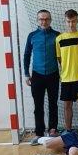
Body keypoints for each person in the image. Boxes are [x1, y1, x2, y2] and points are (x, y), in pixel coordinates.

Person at [23, 9, 60, 141]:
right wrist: (26, 74)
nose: (44, 21)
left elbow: (63, 57)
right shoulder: (32, 36)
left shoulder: (57, 36)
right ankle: (39, 133)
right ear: (37, 20)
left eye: (46, 19)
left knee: (53, 104)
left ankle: (53, 129)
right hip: (37, 75)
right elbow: (26, 55)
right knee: (38, 105)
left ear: (50, 20)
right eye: (41, 19)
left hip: (53, 74)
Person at [55, 9, 78, 130]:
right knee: (67, 106)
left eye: (73, 21)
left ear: (77, 20)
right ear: (65, 21)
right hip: (67, 78)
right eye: (68, 21)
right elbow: (59, 58)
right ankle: (68, 130)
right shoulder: (59, 39)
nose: (71, 24)